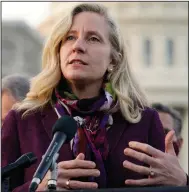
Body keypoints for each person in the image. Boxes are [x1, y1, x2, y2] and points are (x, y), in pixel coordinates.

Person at [1, 3, 187, 192]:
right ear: (58, 50)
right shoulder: (21, 121)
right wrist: (38, 188)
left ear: (114, 58)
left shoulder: (144, 121)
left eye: (93, 38)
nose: (78, 46)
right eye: (70, 37)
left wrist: (182, 183)